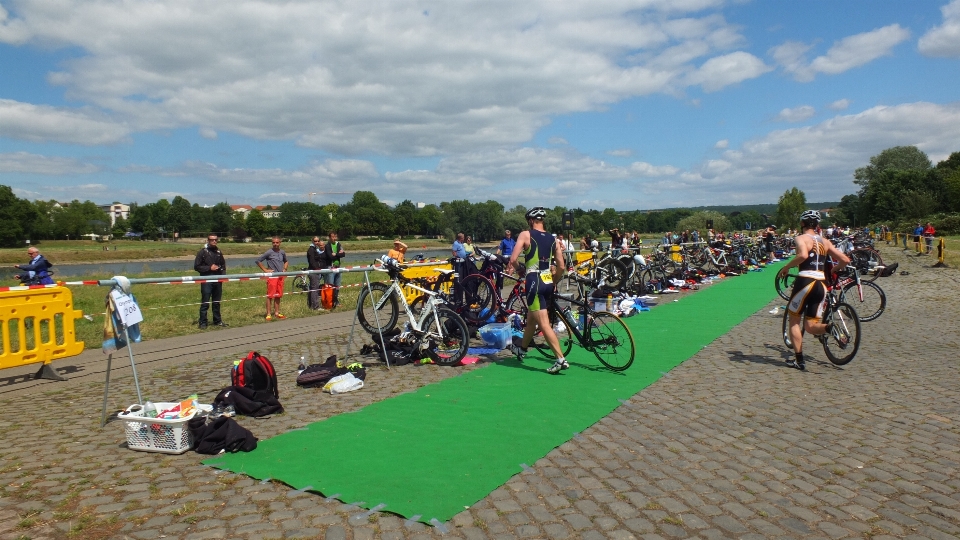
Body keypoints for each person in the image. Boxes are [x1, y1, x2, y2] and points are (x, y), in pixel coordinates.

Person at [777, 210, 850, 371]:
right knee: (810, 326)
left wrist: (786, 267)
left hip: (805, 281)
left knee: (794, 319)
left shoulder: (801, 238)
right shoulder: (826, 242)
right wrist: (833, 270)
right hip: (821, 284)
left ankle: (799, 360)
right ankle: (829, 328)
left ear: (802, 223)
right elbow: (845, 259)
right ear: (817, 225)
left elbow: (803, 255)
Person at [508, 207, 568, 374]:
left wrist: (520, 269)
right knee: (532, 318)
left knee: (543, 322)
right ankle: (522, 349)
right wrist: (554, 281)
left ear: (530, 221)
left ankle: (560, 359)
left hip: (533, 280)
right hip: (548, 280)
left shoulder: (525, 234)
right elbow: (561, 266)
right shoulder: (553, 239)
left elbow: (513, 259)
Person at [193, 235, 227, 329]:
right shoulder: (202, 252)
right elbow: (197, 266)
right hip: (206, 279)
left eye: (216, 240)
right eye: (212, 240)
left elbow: (223, 265)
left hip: (217, 279)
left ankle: (217, 321)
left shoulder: (218, 252)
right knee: (205, 302)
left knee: (216, 302)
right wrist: (209, 268)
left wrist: (223, 275)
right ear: (208, 240)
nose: (214, 241)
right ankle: (203, 322)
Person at [256, 236, 288, 320]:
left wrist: (285, 268)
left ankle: (277, 312)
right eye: (273, 242)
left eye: (277, 242)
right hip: (272, 277)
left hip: (280, 276)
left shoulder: (282, 252)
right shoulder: (269, 252)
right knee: (270, 296)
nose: (275, 244)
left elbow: (286, 261)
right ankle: (268, 314)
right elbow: (258, 261)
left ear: (280, 243)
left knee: (278, 295)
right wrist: (265, 270)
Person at [323, 232, 346, 308]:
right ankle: (330, 302)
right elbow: (330, 256)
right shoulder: (327, 246)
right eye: (333, 237)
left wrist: (335, 254)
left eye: (335, 236)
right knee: (330, 285)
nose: (334, 238)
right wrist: (338, 254)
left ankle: (336, 301)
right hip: (330, 267)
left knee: (337, 286)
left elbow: (343, 254)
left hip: (338, 267)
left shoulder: (338, 244)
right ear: (329, 237)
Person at [306, 236, 328, 310]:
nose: (317, 242)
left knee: (313, 288)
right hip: (313, 271)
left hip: (315, 271)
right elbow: (312, 261)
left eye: (318, 241)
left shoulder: (315, 249)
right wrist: (317, 268)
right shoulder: (311, 250)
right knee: (315, 289)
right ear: (312, 241)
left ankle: (311, 305)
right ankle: (315, 306)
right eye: (315, 241)